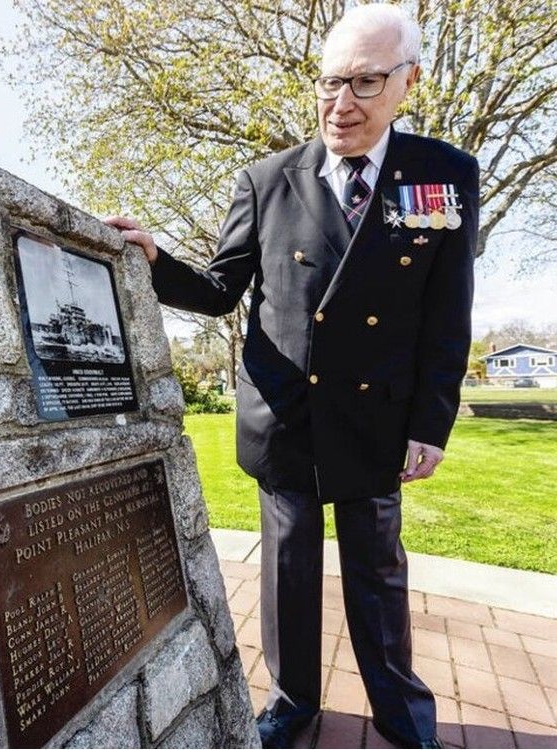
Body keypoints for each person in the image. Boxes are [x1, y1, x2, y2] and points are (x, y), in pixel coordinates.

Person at [105, 4, 478, 748]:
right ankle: (293, 700)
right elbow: (217, 292)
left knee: (377, 573)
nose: (341, 104)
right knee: (287, 571)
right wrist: (154, 261)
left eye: (366, 83)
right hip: (288, 415)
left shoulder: (444, 175)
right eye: (330, 82)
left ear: (408, 82)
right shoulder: (267, 180)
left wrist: (430, 426)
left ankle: (402, 711)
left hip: (379, 416)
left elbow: (447, 320)